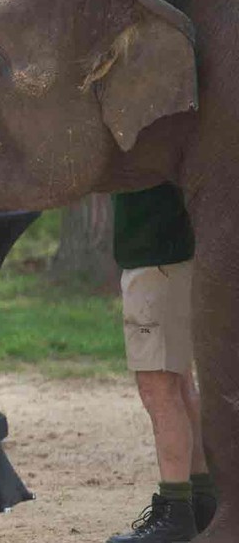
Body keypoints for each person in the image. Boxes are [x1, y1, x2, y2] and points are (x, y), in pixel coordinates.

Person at [107, 184, 216, 543]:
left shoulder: (150, 131)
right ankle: (201, 499)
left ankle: (175, 510)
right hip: (171, 256)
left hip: (156, 258)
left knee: (158, 386)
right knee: (180, 381)